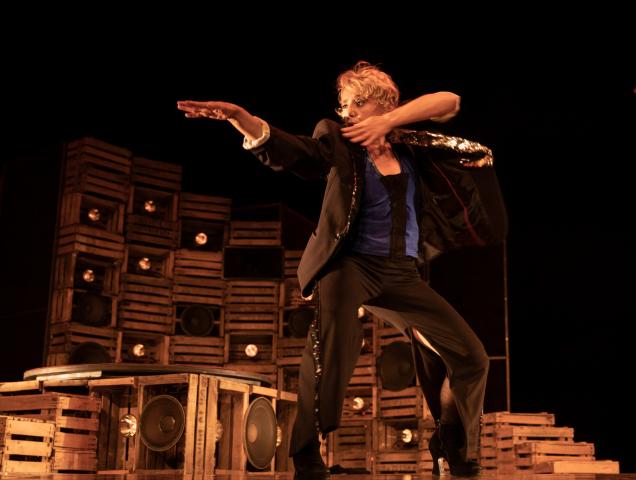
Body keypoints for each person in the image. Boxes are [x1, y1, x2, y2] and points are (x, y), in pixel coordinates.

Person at [178, 61, 506, 479]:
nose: (347, 112)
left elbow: (449, 101)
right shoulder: (337, 139)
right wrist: (241, 118)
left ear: (384, 102)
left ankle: (452, 448)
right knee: (334, 345)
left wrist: (388, 123)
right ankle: (306, 453)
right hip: (349, 264)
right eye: (344, 105)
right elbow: (292, 151)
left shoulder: (410, 148)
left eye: (357, 103)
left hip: (401, 273)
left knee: (471, 355)